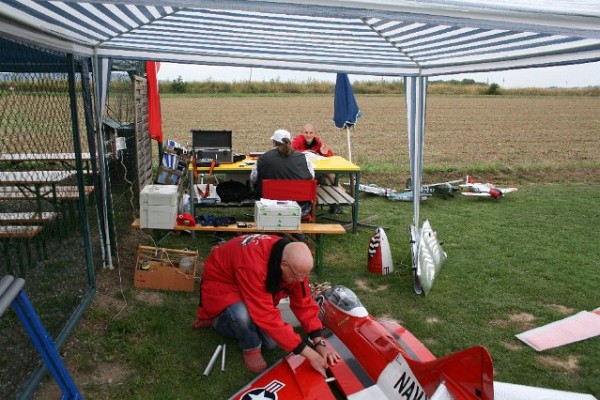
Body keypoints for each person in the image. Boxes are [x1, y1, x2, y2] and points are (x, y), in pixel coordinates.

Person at [192, 234, 340, 375]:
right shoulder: (254, 266)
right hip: (223, 283)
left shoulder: (295, 266)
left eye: (304, 276)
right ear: (284, 265)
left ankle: (239, 326)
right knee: (241, 315)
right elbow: (265, 314)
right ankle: (225, 327)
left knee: (270, 343)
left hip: (244, 276)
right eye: (297, 276)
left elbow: (304, 303)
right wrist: (309, 354)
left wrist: (319, 342)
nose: (301, 281)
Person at [250, 129, 315, 216]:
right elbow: (311, 177)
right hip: (300, 207)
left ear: (274, 142)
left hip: (269, 206)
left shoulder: (263, 158)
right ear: (290, 141)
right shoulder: (304, 158)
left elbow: (253, 178)